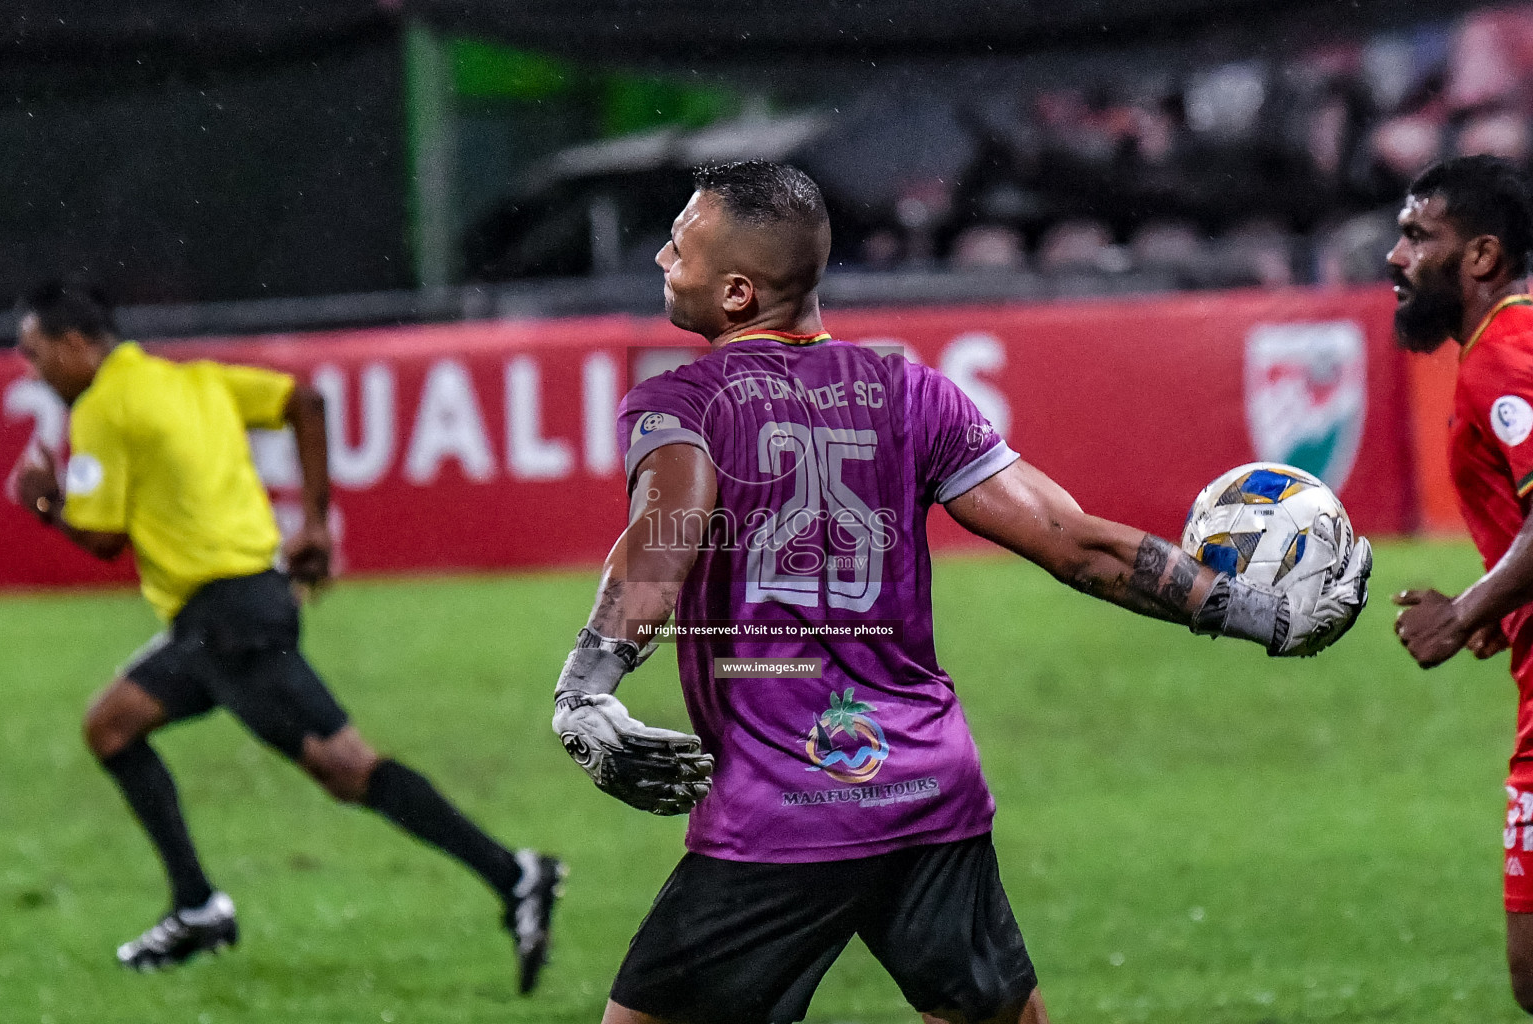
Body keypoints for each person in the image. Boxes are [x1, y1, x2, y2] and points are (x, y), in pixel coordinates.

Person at [549, 160, 1372, 1024]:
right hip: (923, 794)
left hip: (782, 814)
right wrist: (1262, 613)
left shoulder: (681, 401)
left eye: (678, 250)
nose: (660, 260)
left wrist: (586, 685)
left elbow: (662, 541)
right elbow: (1073, 542)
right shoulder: (914, 393)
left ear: (740, 293)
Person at [8, 279, 563, 991]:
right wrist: (316, 522)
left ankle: (514, 875)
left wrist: (46, 503)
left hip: (228, 623)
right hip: (235, 608)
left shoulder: (103, 410)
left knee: (347, 768)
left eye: (37, 352)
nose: (34, 369)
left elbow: (105, 536)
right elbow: (306, 401)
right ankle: (196, 906)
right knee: (112, 726)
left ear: (76, 345)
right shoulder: (194, 380)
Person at [1389, 154, 1533, 1014]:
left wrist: (1466, 611)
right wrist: (1505, 603)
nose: (1395, 258)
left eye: (1416, 237)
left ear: (1481, 256)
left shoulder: (1503, 358)